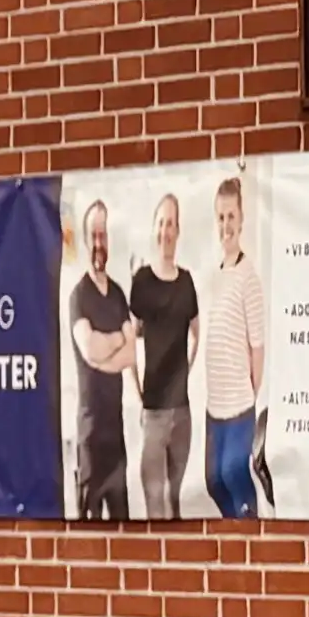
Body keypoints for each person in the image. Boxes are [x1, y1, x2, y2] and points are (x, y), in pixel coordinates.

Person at [123, 191, 202, 524]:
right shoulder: (141, 281)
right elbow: (131, 336)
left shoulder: (186, 283)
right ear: (154, 228)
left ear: (177, 231)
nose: (165, 230)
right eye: (161, 222)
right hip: (153, 413)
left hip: (182, 414)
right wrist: (136, 387)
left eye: (171, 223)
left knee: (176, 503)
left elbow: (197, 332)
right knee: (154, 508)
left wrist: (186, 370)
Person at [199, 171, 270, 517]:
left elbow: (258, 347)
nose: (226, 224)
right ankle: (236, 529)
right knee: (213, 480)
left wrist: (249, 395)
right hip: (214, 408)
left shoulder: (249, 278)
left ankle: (250, 535)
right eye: (221, 217)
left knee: (233, 474)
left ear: (241, 221)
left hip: (239, 407)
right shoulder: (214, 274)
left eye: (232, 217)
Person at [62, 197, 135, 522]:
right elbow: (89, 349)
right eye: (93, 235)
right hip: (90, 439)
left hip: (115, 436)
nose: (98, 243)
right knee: (87, 542)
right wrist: (119, 340)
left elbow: (132, 354)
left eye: (103, 235)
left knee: (124, 533)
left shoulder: (118, 294)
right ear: (84, 237)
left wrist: (111, 348)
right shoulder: (78, 296)